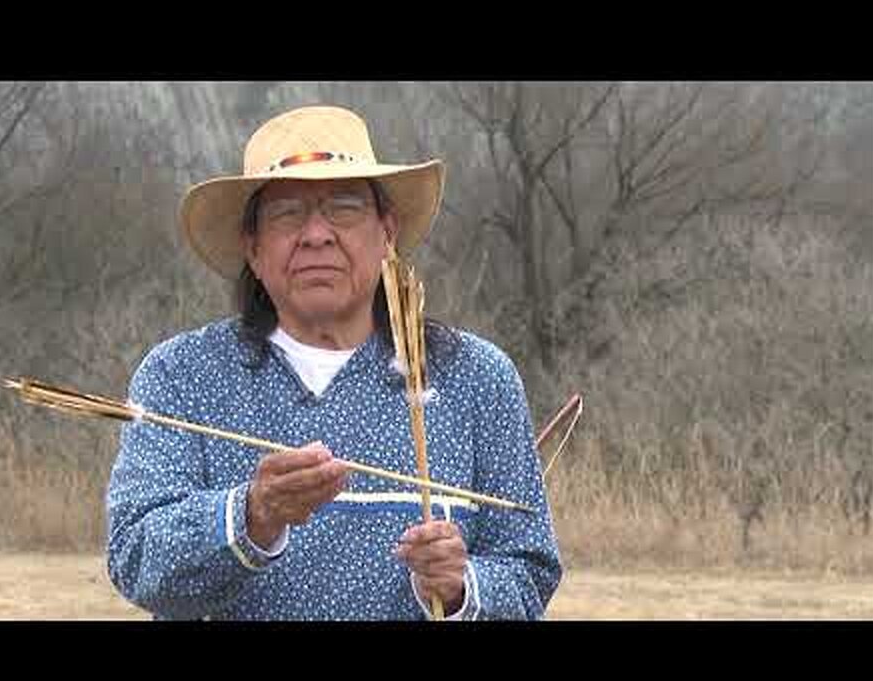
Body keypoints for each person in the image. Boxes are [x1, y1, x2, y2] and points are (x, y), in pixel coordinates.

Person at [106, 105, 562, 620]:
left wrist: (461, 589)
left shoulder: (475, 378)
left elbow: (531, 575)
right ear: (252, 248)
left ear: (386, 232)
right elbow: (135, 561)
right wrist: (253, 515)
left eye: (343, 207)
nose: (316, 234)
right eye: (287, 213)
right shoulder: (182, 376)